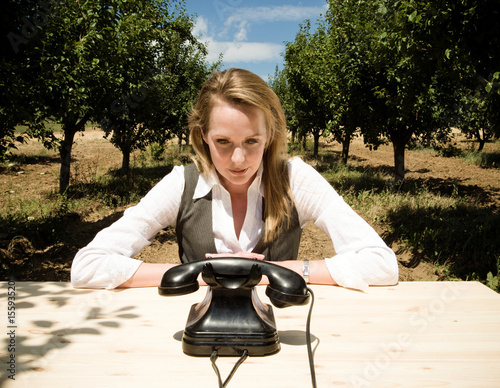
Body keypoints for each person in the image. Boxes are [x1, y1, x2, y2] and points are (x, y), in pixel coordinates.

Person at [71, 68, 398, 291]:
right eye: (223, 142)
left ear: (269, 136)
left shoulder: (296, 179)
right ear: (203, 137)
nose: (238, 160)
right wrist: (199, 274)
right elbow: (88, 266)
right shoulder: (180, 185)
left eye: (252, 142)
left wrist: (273, 273)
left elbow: (382, 265)